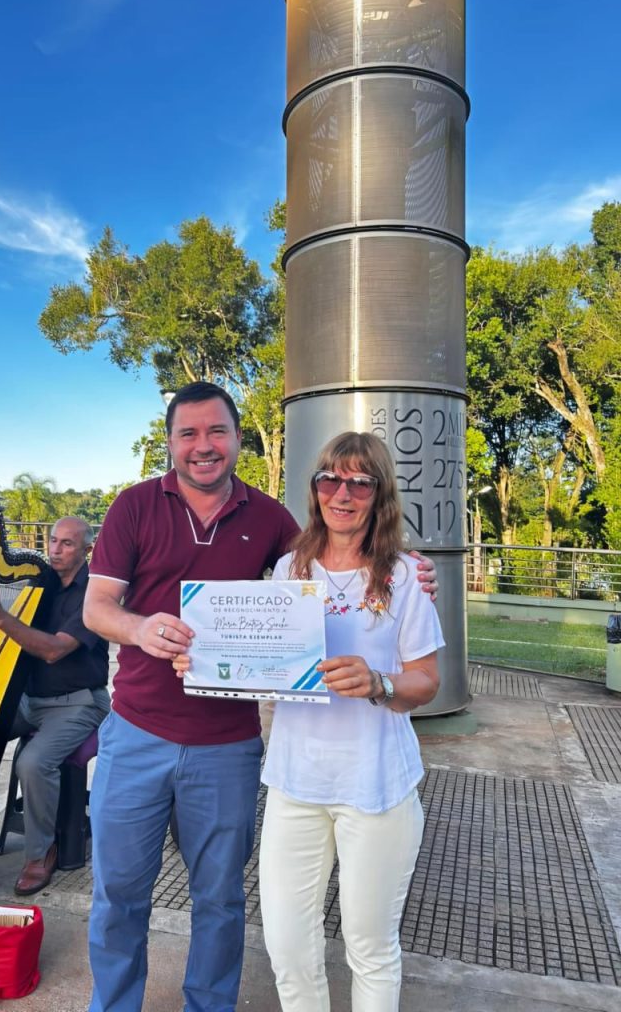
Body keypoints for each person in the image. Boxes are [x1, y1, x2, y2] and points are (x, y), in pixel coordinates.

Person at [83, 382, 438, 1012]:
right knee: (118, 893)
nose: (203, 446)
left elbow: (338, 562)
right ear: (170, 442)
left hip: (228, 745)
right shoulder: (133, 507)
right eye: (188, 433)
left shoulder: (273, 525)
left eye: (216, 431)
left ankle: (209, 1006)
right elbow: (96, 608)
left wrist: (408, 567)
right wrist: (139, 630)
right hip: (137, 732)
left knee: (220, 899)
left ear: (238, 439)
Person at [258, 432, 444, 1012]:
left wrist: (379, 683)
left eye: (360, 482)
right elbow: (267, 660)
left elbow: (426, 681)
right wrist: (209, 659)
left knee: (370, 948)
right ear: (315, 488)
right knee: (288, 946)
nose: (342, 494)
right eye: (330, 479)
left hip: (376, 786)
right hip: (295, 783)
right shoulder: (290, 567)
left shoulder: (403, 574)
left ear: (379, 493)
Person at [0, 516, 110, 896]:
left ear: (87, 550)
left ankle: (40, 854)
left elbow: (53, 650)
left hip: (79, 702)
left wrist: (0, 617)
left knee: (32, 763)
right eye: (53, 541)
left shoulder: (94, 594)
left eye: (67, 544)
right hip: (31, 701)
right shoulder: (42, 583)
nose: (55, 550)